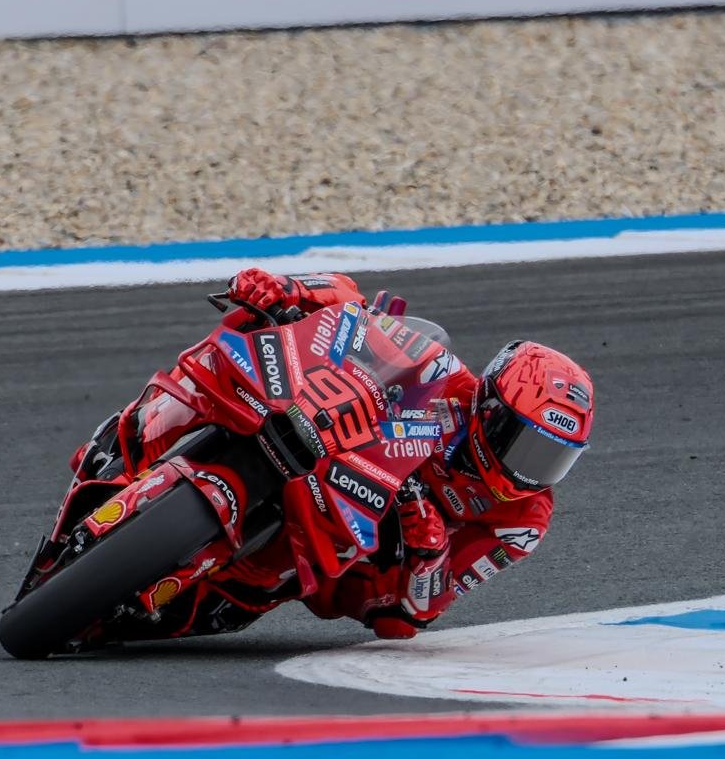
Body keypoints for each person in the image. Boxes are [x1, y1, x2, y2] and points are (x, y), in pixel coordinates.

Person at [74, 267, 595, 641]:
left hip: (349, 553)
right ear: (492, 410)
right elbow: (354, 311)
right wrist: (288, 290)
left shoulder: (522, 520)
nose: (530, 472)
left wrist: (429, 550)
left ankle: (219, 576)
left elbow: (415, 616)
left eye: (553, 457)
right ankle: (130, 438)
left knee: (236, 603)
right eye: (527, 444)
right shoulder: (446, 380)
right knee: (235, 351)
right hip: (325, 446)